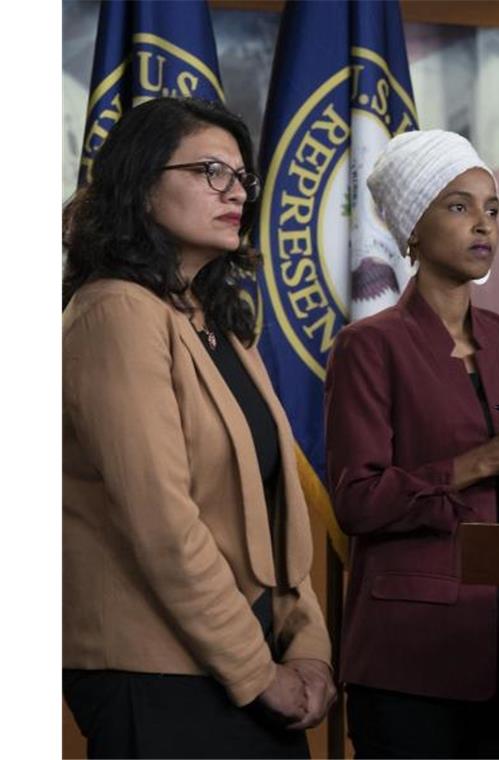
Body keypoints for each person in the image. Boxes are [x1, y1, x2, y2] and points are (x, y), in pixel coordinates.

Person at [62, 98, 336, 759]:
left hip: (255, 670)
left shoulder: (215, 323)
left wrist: (310, 652)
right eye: (211, 171)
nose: (235, 192)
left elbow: (279, 515)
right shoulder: (114, 314)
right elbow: (164, 526)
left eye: (242, 177)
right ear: (142, 181)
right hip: (160, 678)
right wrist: (258, 672)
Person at [324, 129, 499, 758]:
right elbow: (357, 500)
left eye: (492, 209)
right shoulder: (369, 346)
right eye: (459, 207)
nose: (483, 225)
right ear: (412, 227)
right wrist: (474, 465)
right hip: (412, 656)